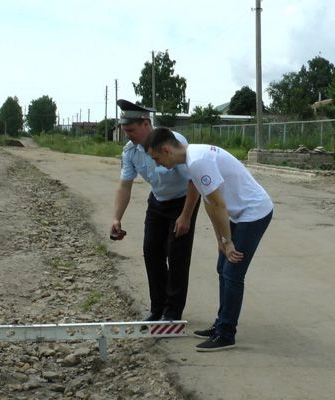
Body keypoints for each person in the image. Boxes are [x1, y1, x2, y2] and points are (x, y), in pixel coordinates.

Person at [147, 127, 273, 351]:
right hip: (238, 213)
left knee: (232, 272)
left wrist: (228, 241)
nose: (158, 165)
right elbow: (208, 203)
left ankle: (226, 333)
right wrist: (220, 239)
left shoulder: (198, 161)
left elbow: (218, 204)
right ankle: (220, 324)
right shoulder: (192, 161)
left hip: (253, 211)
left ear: (166, 150)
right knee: (222, 267)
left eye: (156, 158)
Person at [110, 99, 200, 321]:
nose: (128, 135)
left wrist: (186, 216)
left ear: (146, 124)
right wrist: (116, 218)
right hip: (158, 201)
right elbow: (125, 185)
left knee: (177, 256)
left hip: (183, 200)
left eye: (131, 130)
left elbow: (194, 181)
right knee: (152, 252)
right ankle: (157, 309)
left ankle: (172, 313)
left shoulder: (172, 142)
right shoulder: (130, 152)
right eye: (125, 131)